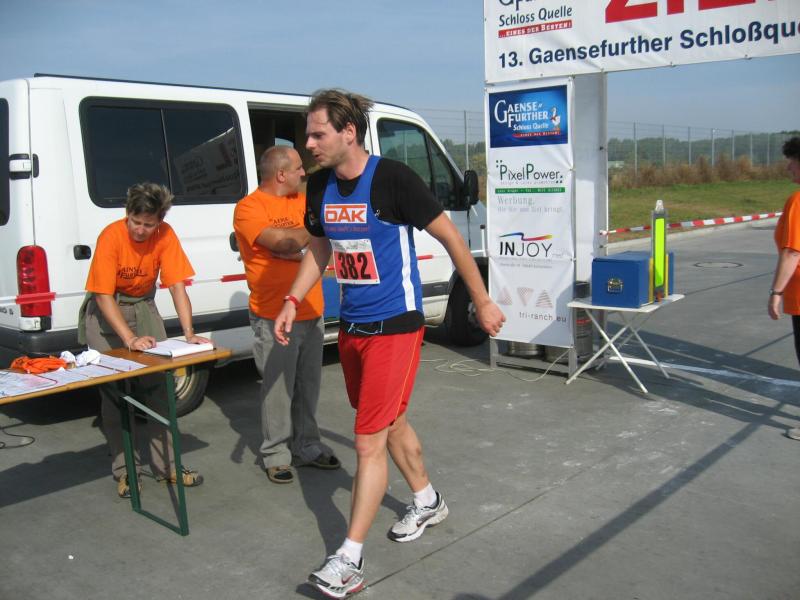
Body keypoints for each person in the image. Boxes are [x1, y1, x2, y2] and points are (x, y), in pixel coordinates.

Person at [273, 89, 506, 598]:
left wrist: (482, 300)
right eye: (307, 135)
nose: (308, 144)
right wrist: (293, 299)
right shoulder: (320, 186)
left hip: (396, 326)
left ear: (348, 132)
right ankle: (427, 500)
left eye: (317, 134)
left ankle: (349, 560)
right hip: (353, 328)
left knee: (367, 441)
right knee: (389, 420)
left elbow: (452, 237)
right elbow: (320, 247)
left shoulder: (393, 179)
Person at [79, 183, 208, 498]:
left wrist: (189, 332)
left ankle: (168, 468)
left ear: (159, 221)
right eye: (135, 222)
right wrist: (130, 338)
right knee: (115, 395)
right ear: (127, 214)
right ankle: (126, 471)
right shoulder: (111, 236)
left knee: (159, 390)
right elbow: (103, 295)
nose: (140, 229)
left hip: (143, 307)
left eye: (148, 225)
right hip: (108, 314)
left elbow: (177, 285)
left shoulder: (166, 235)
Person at [233, 146, 340, 484]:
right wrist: (310, 233)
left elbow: (307, 246)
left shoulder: (302, 201)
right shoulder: (249, 208)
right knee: (278, 388)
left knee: (309, 385)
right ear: (281, 174)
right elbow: (282, 243)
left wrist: (300, 243)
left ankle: (307, 446)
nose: (303, 173)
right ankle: (276, 454)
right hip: (272, 313)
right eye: (297, 168)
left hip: (312, 309)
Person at [768, 136, 800, 441]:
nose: (789, 167)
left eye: (793, 162)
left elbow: (792, 252)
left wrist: (776, 292)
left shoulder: (797, 201)